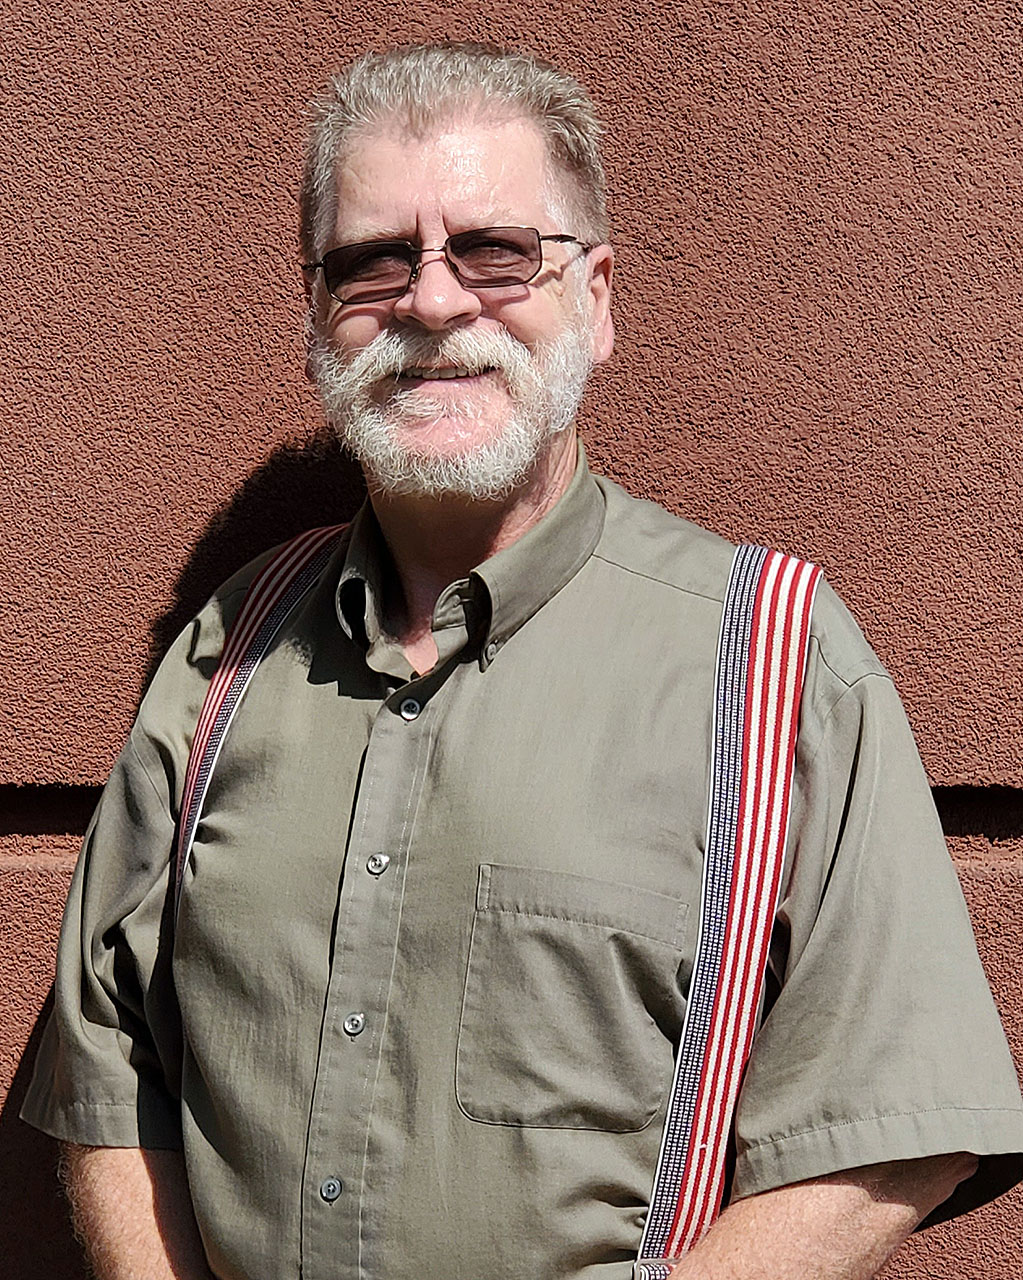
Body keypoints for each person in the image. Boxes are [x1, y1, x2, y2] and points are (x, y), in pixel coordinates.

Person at [21, 42, 1023, 1280]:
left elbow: (893, 1125)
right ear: (318, 309)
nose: (433, 303)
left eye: (494, 250)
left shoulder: (771, 654)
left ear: (596, 299)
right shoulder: (227, 649)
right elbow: (110, 1068)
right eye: (373, 260)